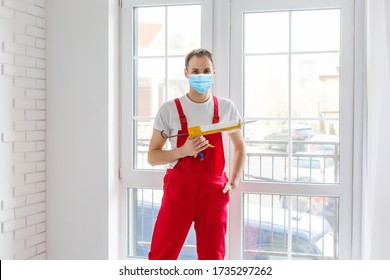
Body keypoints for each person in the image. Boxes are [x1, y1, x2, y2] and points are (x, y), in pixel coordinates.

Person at [147, 48, 246, 260]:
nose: (201, 76)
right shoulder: (169, 110)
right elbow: (153, 157)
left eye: (206, 70)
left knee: (213, 258)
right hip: (179, 193)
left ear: (214, 73)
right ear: (186, 73)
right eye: (195, 71)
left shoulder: (226, 109)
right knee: (160, 257)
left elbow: (240, 146)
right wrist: (183, 151)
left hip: (214, 194)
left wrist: (234, 181)